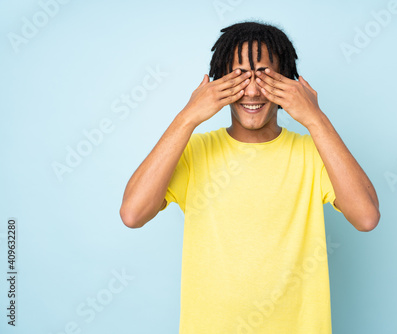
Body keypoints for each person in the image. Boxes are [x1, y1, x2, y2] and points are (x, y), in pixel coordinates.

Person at [120, 21, 380, 334]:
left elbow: (366, 217)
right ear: (220, 83)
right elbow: (133, 214)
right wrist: (187, 117)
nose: (254, 91)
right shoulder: (194, 152)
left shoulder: (314, 153)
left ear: (287, 83)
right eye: (240, 76)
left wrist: (316, 118)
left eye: (266, 77)